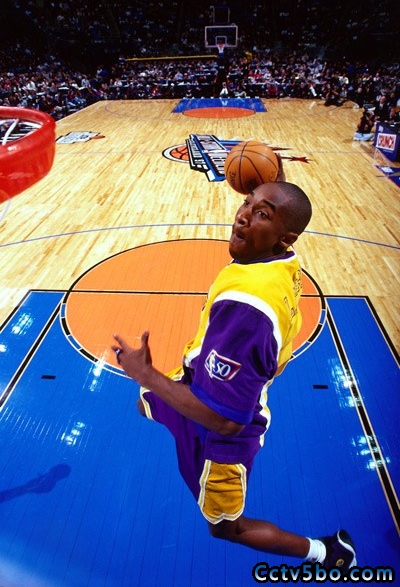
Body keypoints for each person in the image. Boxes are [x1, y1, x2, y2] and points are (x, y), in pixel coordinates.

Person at [111, 176, 357, 572]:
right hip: (201, 381)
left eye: (262, 214)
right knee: (146, 405)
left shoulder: (249, 307)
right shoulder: (279, 262)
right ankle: (173, 414)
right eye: (248, 203)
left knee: (226, 528)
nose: (243, 217)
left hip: (221, 436)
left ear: (285, 238)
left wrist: (147, 374)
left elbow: (226, 421)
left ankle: (327, 553)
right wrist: (270, 192)